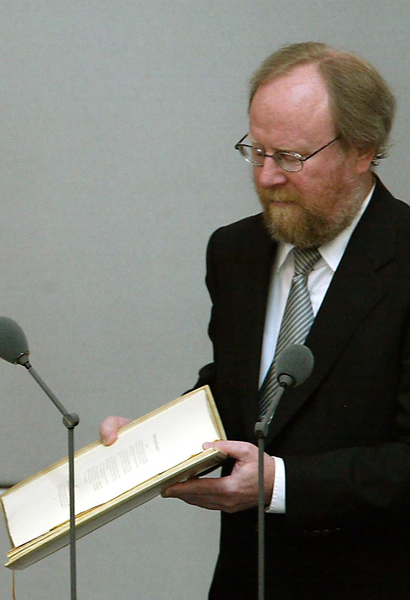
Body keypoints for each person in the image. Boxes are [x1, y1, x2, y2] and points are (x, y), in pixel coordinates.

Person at [102, 42, 410, 598]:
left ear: (362, 150)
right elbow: (237, 393)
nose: (267, 178)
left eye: (290, 157)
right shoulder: (235, 252)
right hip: (246, 578)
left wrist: (280, 483)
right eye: (256, 151)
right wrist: (152, 448)